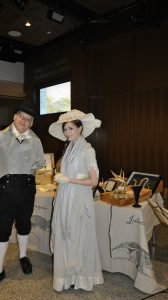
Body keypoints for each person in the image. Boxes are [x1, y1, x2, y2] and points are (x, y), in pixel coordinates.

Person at [0, 102, 44, 293]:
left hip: (26, 190)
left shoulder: (36, 140)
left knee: (24, 224)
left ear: (31, 123)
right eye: (22, 116)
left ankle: (23, 256)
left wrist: (27, 174)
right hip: (5, 192)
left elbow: (39, 162)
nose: (24, 121)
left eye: (29, 119)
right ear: (14, 117)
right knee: (3, 228)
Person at [48, 109, 104, 292]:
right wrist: (61, 175)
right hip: (66, 196)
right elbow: (63, 168)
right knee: (66, 233)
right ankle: (67, 276)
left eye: (70, 129)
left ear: (80, 128)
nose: (67, 133)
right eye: (65, 129)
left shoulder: (88, 150)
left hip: (79, 198)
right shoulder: (69, 148)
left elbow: (94, 181)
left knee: (78, 236)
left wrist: (69, 180)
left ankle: (80, 277)